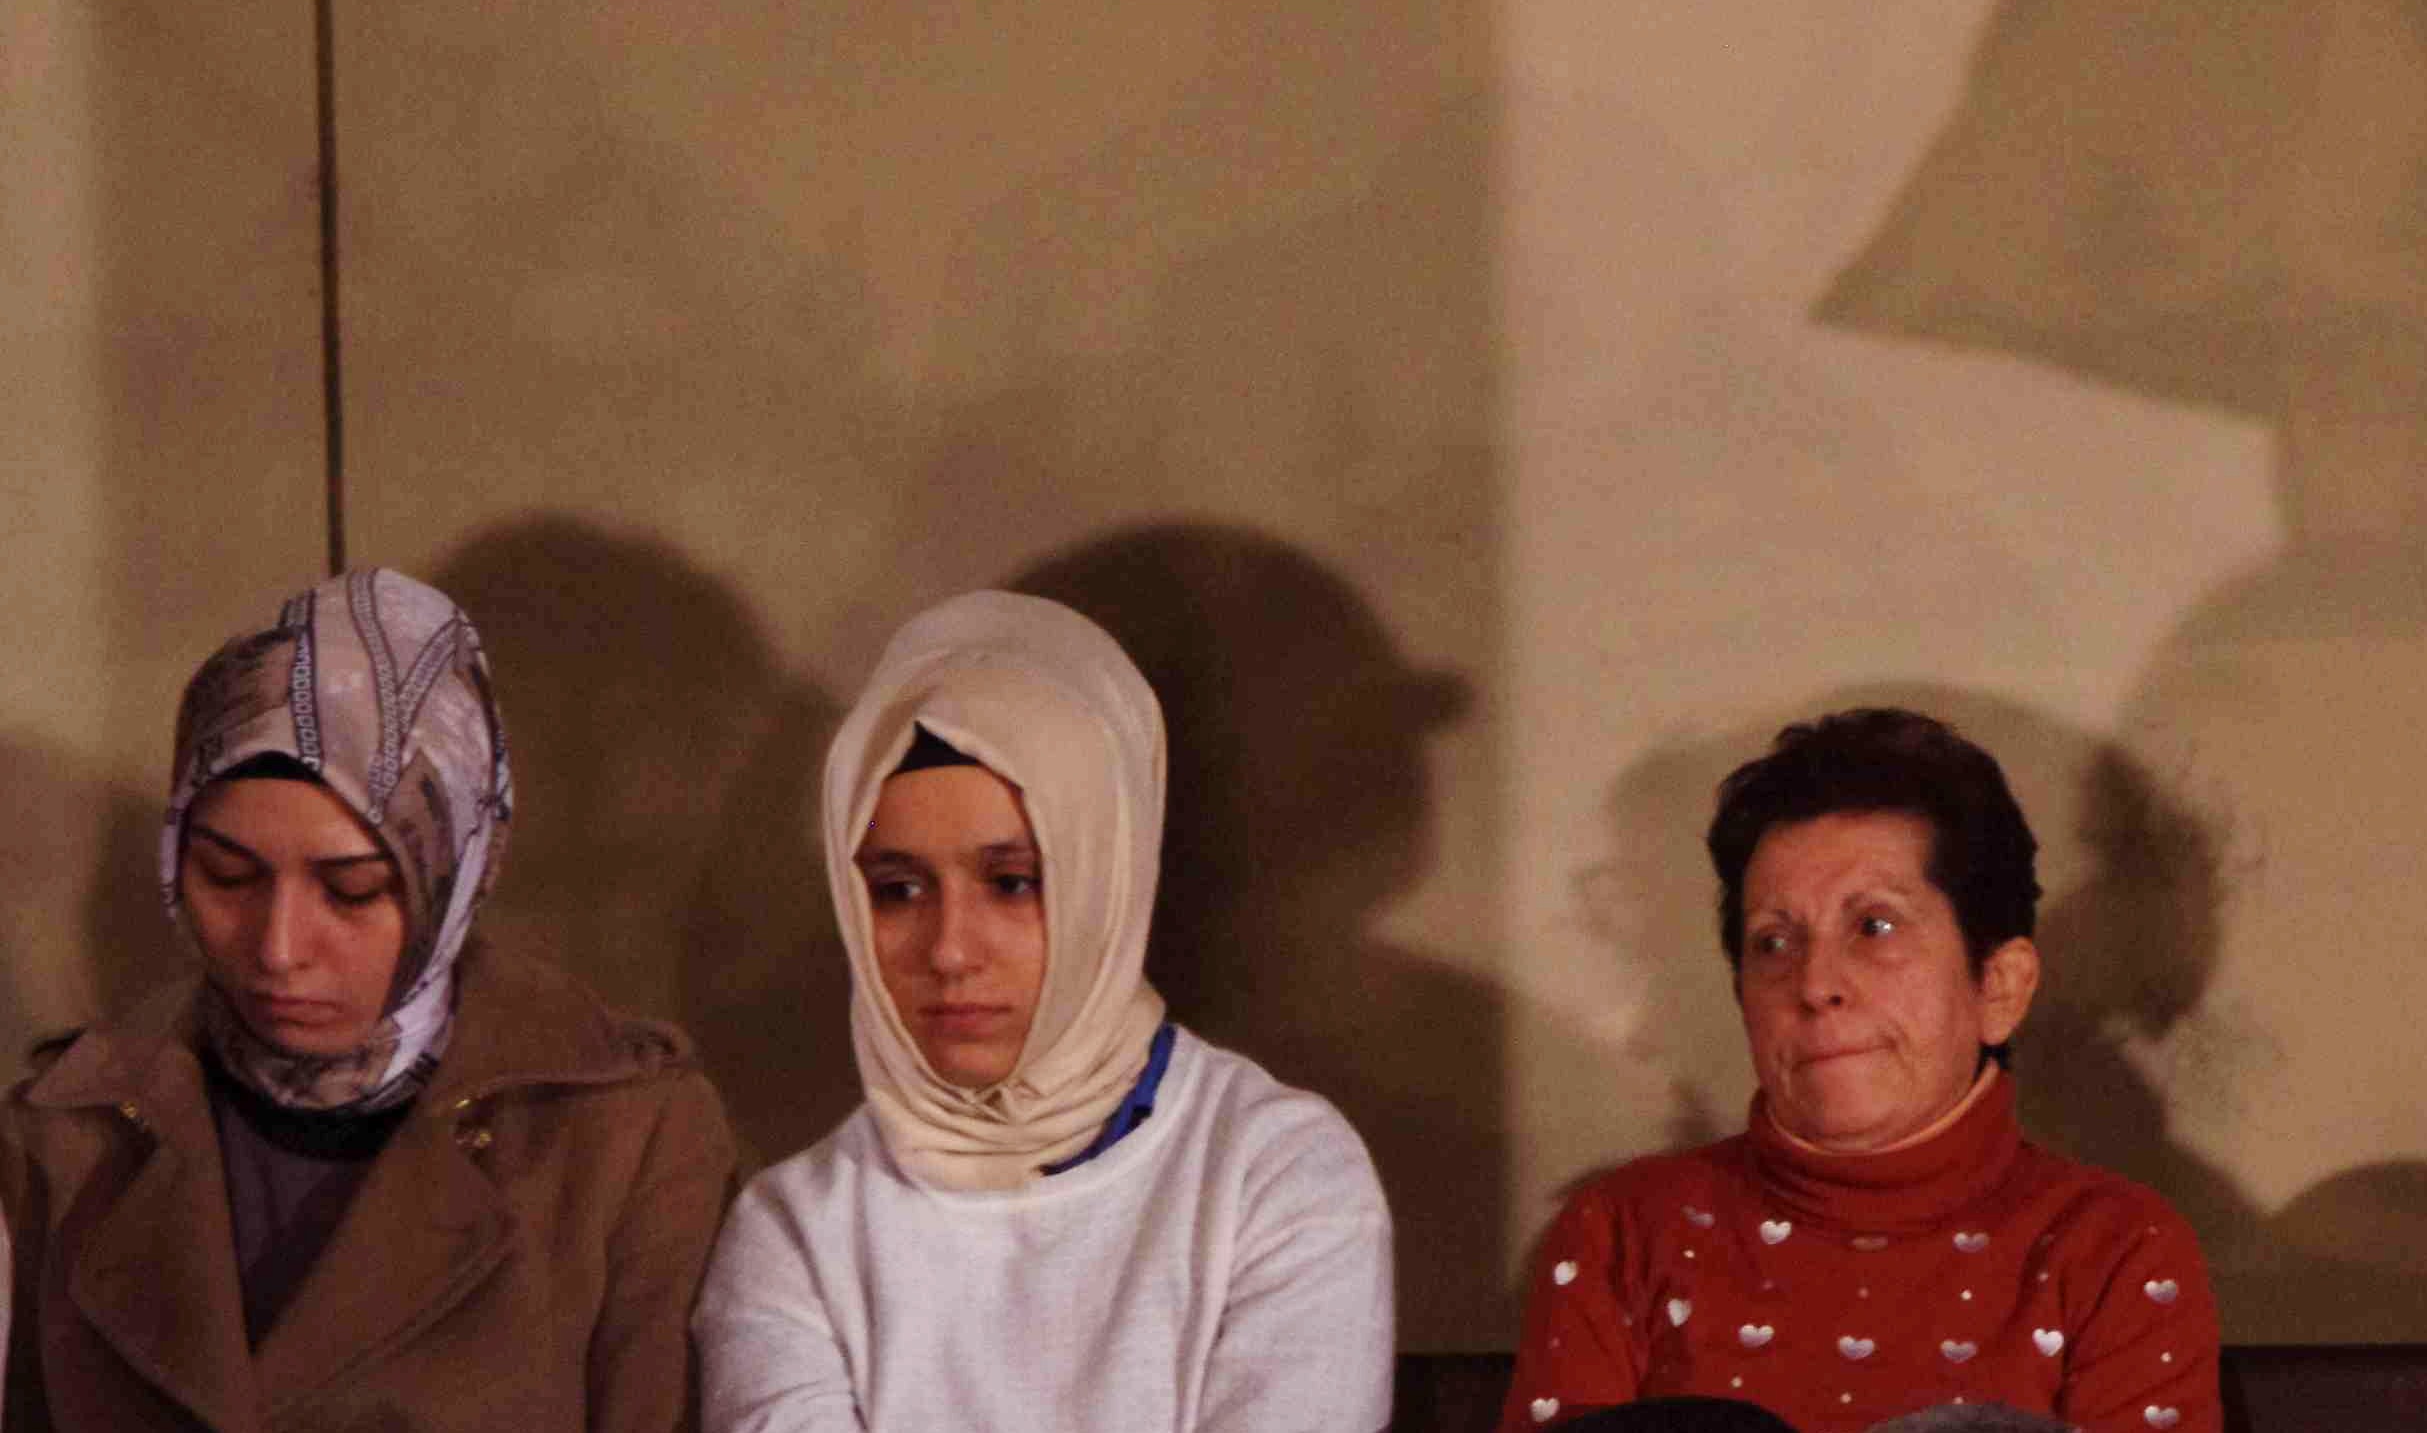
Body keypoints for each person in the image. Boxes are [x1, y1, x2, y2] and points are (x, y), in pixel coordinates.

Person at [1, 568, 741, 1432]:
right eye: (227, 876)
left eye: (352, 890)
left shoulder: (625, 1139)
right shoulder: (67, 1131)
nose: (279, 949)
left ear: (454, 874)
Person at [691, 591, 1394, 1431]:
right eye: (899, 890)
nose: (951, 950)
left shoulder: (1274, 1173)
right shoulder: (797, 1230)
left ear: (1105, 881)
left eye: (1013, 882)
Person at [1506, 708, 2220, 1432]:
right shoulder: (1619, 1236)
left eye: (1875, 926)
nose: (1816, 984)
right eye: (1774, 942)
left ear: (1999, 987)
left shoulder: (2114, 1251)